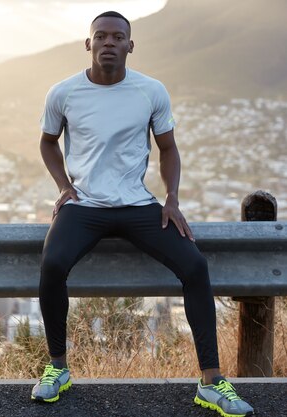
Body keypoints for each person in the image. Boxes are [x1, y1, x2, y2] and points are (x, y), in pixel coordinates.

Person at [30, 11, 254, 417]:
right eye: (101, 36)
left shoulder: (150, 91)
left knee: (194, 265)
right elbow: (47, 142)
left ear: (131, 45)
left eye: (118, 37)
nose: (109, 43)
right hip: (85, 206)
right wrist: (65, 187)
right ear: (88, 44)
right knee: (53, 264)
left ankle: (211, 382)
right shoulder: (63, 93)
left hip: (138, 205)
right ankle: (58, 368)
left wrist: (172, 198)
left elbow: (168, 148)